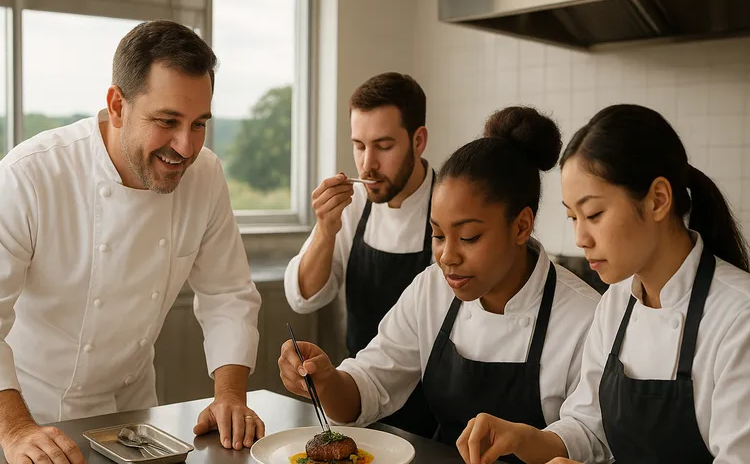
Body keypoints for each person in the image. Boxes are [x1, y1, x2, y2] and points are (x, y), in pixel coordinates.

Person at [0, 20, 265, 464]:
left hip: (130, 418)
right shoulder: (31, 174)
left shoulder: (205, 176)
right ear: (117, 106)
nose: (185, 147)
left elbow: (227, 294)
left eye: (199, 124)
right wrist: (16, 432)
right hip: (22, 417)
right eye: (167, 121)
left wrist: (231, 396)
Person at [279, 106, 600, 463]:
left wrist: (523, 439)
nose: (447, 256)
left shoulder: (583, 317)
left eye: (469, 237)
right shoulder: (431, 289)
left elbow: (590, 436)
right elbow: (370, 383)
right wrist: (325, 380)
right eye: (437, 234)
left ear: (521, 227)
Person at [457, 104, 750, 464]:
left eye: (593, 214)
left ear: (658, 199)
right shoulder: (617, 303)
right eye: (572, 217)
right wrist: (523, 437)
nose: (580, 237)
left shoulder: (739, 317)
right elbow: (589, 428)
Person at [283, 72, 439, 437]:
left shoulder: (448, 208)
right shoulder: (353, 209)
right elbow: (302, 296)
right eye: (358, 145)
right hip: (359, 400)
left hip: (434, 414)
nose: (367, 164)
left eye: (383, 146)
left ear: (419, 140)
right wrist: (325, 228)